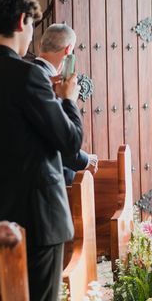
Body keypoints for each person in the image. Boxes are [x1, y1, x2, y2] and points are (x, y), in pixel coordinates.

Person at [0, 0, 82, 301]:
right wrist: (68, 101)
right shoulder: (26, 75)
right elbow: (69, 145)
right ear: (23, 21)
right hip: (38, 220)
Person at [33, 23, 97, 185]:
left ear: (40, 44)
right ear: (68, 50)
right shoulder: (48, 83)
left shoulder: (29, 73)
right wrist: (84, 160)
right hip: (48, 179)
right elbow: (57, 136)